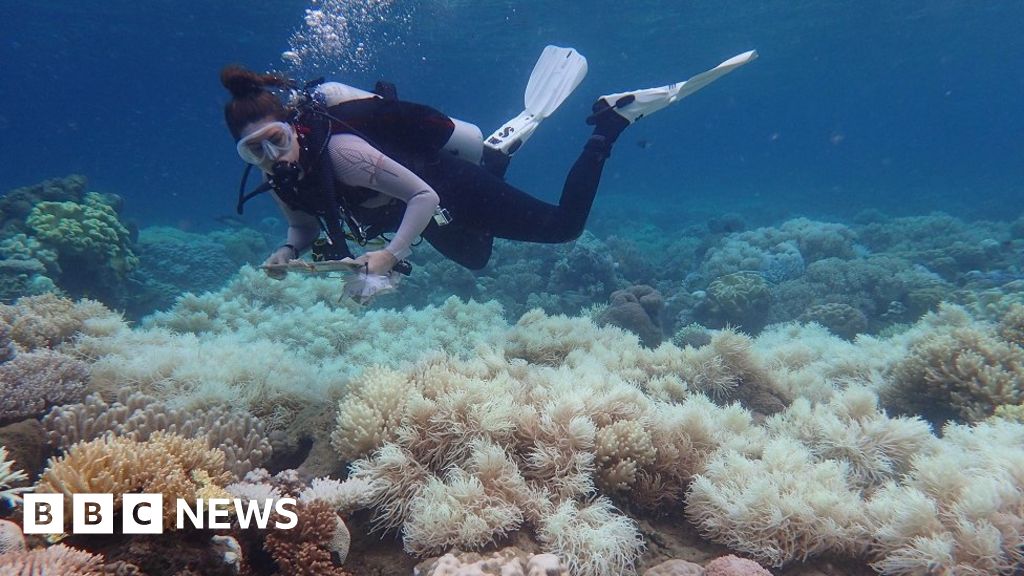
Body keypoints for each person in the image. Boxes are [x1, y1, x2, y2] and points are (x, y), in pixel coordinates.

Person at [220, 48, 757, 285]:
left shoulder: (343, 153)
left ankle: (611, 123)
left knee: (562, 229)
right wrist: (287, 249)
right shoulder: (277, 176)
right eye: (254, 152)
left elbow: (424, 198)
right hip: (417, 210)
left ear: (293, 125)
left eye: (274, 140)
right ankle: (496, 155)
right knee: (476, 258)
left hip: (441, 188)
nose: (271, 157)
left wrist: (388, 253)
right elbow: (301, 223)